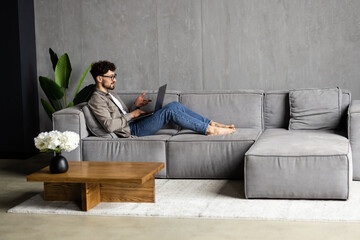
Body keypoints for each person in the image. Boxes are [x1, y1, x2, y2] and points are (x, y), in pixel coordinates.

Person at [88, 60, 235, 138]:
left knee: (175, 105)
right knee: (170, 110)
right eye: (111, 77)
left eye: (115, 76)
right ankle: (208, 130)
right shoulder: (96, 100)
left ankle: (211, 123)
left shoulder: (111, 94)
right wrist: (132, 114)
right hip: (132, 131)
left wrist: (134, 107)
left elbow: (120, 115)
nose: (114, 80)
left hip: (134, 123)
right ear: (99, 78)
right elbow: (108, 126)